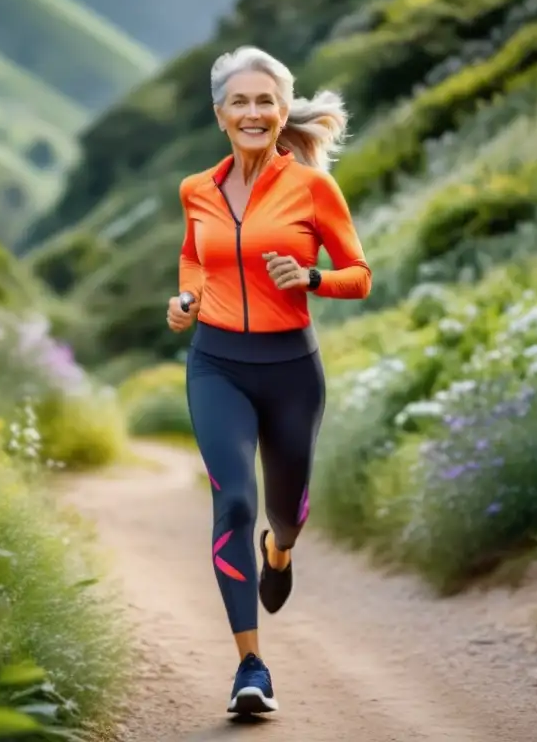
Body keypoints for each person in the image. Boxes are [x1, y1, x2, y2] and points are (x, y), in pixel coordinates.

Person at [166, 45, 371, 716]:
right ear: (220, 113)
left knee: (284, 512)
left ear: (282, 112)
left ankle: (278, 555)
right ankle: (250, 667)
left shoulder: (313, 188)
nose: (253, 113)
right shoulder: (197, 189)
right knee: (233, 502)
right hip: (216, 363)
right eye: (240, 102)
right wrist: (186, 300)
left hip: (291, 368)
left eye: (265, 101)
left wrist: (311, 278)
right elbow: (194, 257)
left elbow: (358, 275)